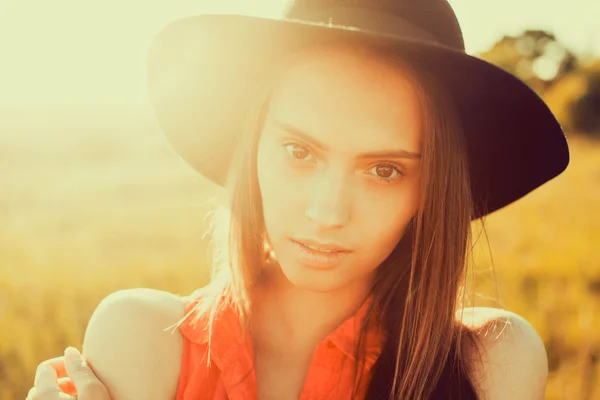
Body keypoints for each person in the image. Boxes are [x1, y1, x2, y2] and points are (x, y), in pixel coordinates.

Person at [27, 0, 570, 399]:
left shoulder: (488, 360)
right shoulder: (143, 338)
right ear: (253, 148)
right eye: (299, 152)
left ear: (430, 191)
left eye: (384, 170)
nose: (327, 212)